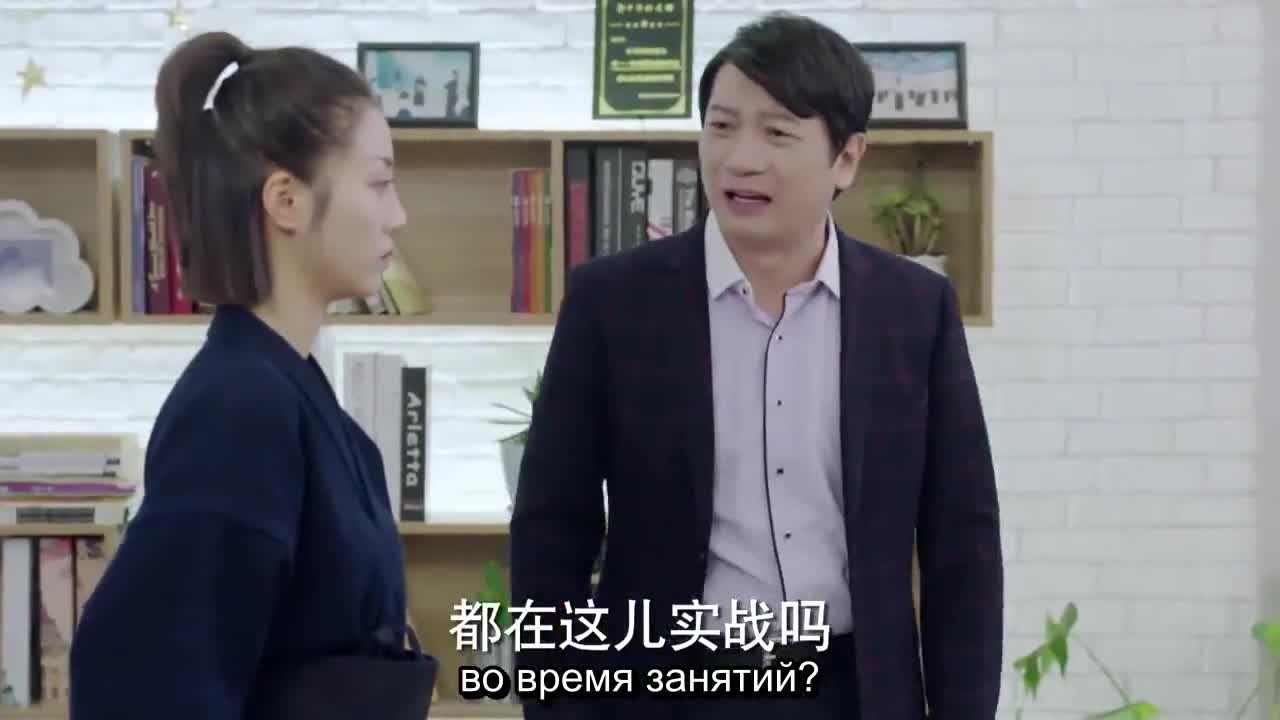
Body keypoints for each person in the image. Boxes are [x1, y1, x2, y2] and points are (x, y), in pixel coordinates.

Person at [509, 11, 1002, 720]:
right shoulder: (612, 303)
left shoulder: (914, 310)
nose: (740, 159)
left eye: (776, 133)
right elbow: (552, 531)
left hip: (854, 692)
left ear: (846, 158)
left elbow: (963, 541)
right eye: (721, 126)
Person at [68, 31, 436, 720]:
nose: (398, 214)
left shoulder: (295, 395)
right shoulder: (239, 408)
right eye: (379, 182)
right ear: (286, 200)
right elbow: (148, 683)